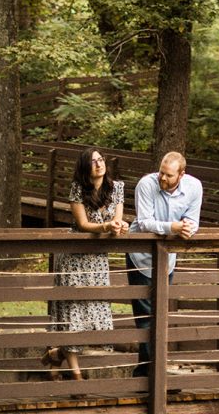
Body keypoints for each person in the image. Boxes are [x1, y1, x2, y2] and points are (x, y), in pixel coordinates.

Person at [44, 148, 124, 381]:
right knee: (73, 312)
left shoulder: (117, 188)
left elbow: (117, 218)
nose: (98, 164)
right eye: (92, 162)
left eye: (101, 160)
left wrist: (119, 226)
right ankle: (76, 373)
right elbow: (82, 224)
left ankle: (56, 354)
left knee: (94, 314)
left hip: (98, 258)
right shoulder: (77, 188)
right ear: (84, 167)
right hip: (75, 258)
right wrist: (106, 227)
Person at [126, 151, 203, 376]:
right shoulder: (146, 185)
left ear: (181, 174)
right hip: (140, 256)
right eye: (161, 172)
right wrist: (174, 227)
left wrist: (188, 229)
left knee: (160, 314)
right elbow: (145, 222)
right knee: (146, 317)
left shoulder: (194, 187)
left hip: (167, 258)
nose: (163, 178)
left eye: (168, 175)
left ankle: (144, 373)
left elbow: (193, 220)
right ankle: (157, 374)